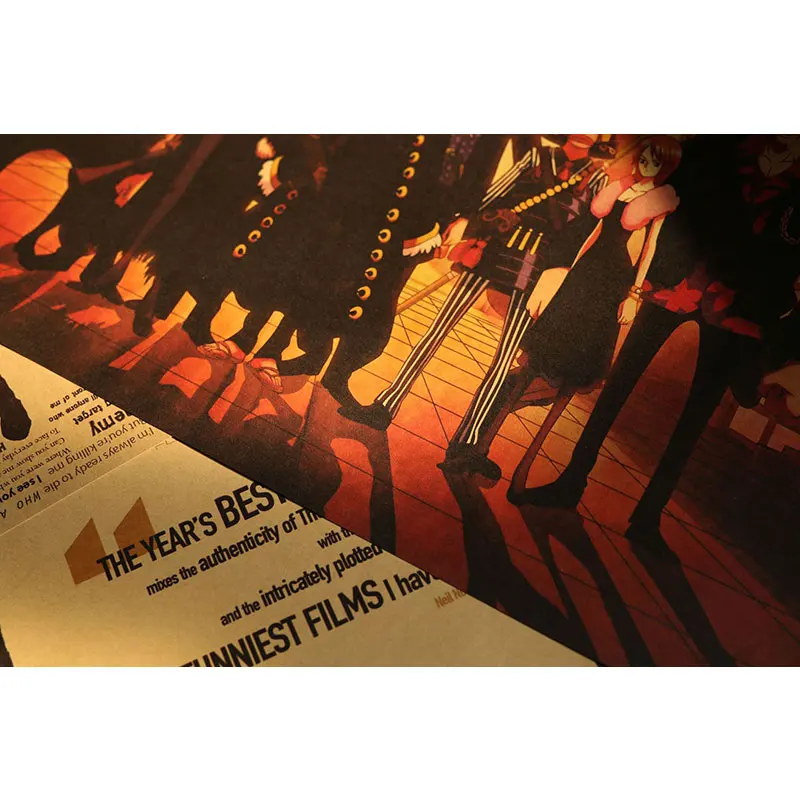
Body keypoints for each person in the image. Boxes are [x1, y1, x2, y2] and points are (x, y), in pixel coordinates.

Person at [518, 135, 800, 546]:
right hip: (675, 285)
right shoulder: (725, 145)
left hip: (735, 311)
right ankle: (572, 481)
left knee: (695, 417)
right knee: (618, 384)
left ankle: (648, 518)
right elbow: (671, 190)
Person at [340, 135, 617, 479]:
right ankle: (385, 405)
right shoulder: (535, 158)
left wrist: (558, 275)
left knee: (503, 358)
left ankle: (466, 445)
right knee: (438, 329)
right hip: (493, 251)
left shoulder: (599, 180)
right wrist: (469, 225)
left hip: (537, 269)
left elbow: (584, 236)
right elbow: (493, 196)